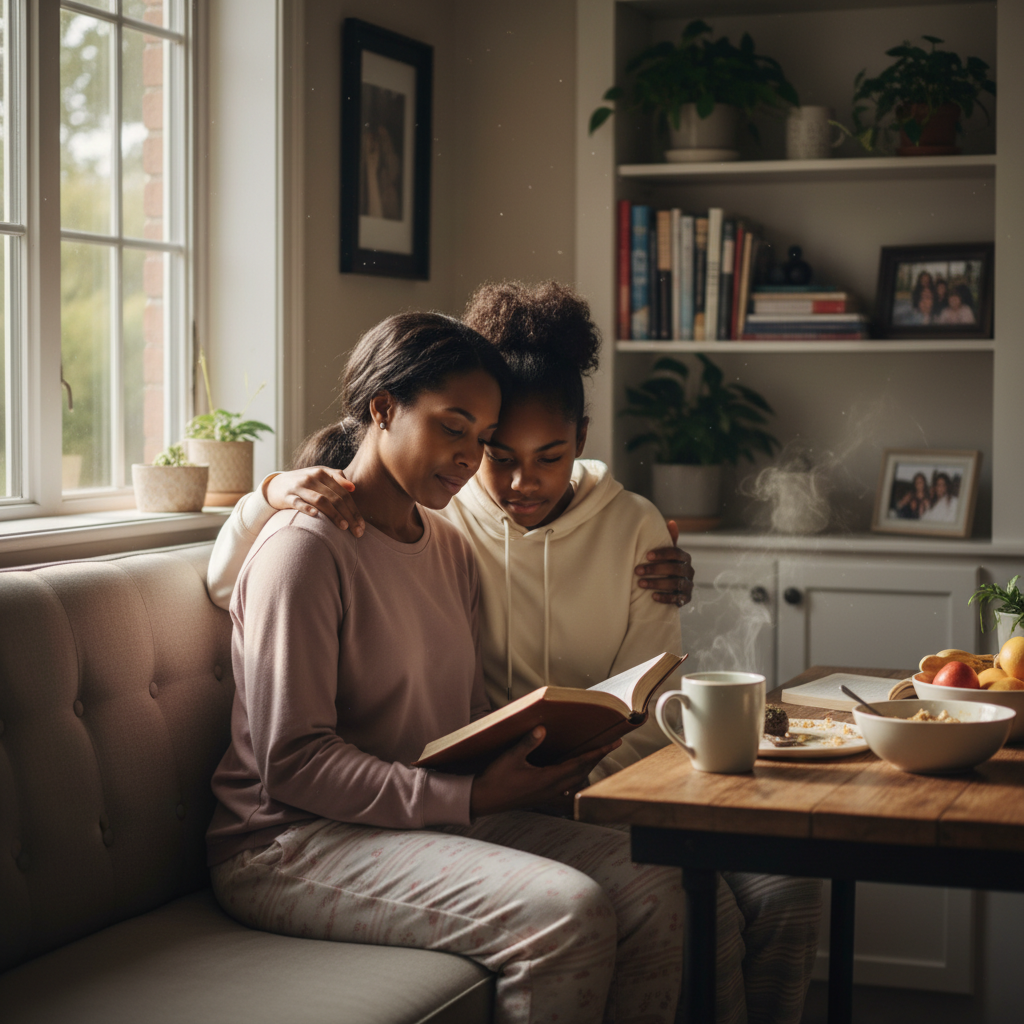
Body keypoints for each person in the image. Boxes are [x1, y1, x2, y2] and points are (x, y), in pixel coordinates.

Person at [208, 283, 822, 1024]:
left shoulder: (443, 546)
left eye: (481, 437)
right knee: (570, 911)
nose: (472, 461)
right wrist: (469, 796)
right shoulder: (305, 549)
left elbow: (460, 717)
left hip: (419, 815)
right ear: (381, 408)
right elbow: (293, 763)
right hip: (293, 843)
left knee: (666, 888)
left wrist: (510, 773)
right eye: (454, 430)